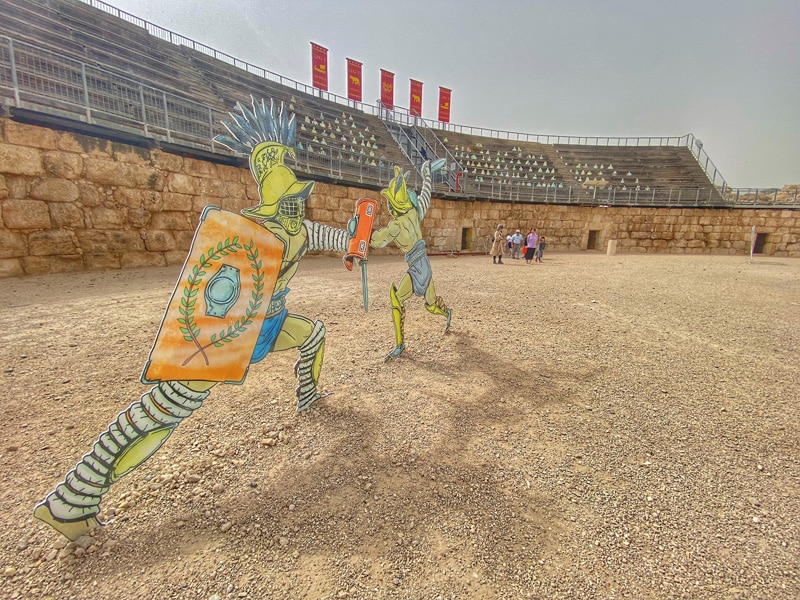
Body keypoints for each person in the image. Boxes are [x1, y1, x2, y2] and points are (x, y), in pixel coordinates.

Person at [34, 98, 355, 541]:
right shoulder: (250, 234)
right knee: (167, 408)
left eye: (299, 197)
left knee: (313, 333)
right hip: (231, 335)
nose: (298, 204)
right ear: (274, 201)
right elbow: (220, 289)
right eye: (291, 198)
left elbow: (343, 238)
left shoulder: (301, 230)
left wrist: (358, 237)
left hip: (271, 323)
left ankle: (307, 395)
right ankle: (73, 495)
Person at [370, 160, 452, 361]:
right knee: (431, 304)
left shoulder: (396, 225)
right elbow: (425, 195)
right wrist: (426, 176)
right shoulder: (414, 213)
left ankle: (400, 344)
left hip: (417, 267)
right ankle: (447, 312)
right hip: (425, 265)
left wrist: (361, 231)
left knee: (396, 299)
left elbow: (377, 241)